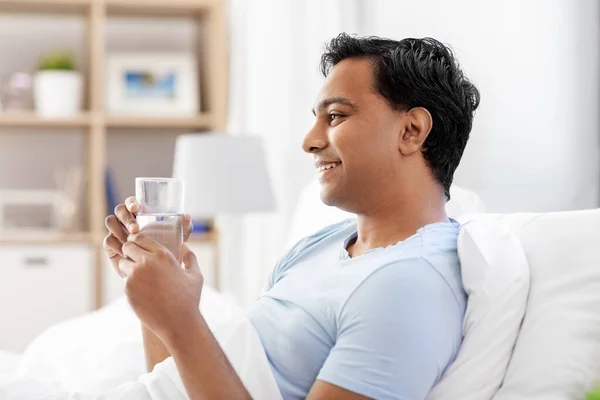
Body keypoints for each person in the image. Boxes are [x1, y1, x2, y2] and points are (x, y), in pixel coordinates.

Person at [103, 33, 480, 400]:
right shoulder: (320, 245)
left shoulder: (410, 287)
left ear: (411, 130)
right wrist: (156, 298)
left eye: (335, 116)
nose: (309, 141)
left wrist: (181, 318)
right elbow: (174, 387)